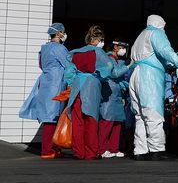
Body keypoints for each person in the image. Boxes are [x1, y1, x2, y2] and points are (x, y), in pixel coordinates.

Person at [129, 15, 178, 160]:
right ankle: (157, 150)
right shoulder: (156, 33)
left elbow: (150, 56)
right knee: (153, 113)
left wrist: (167, 64)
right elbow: (165, 51)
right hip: (149, 76)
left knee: (140, 116)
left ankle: (140, 150)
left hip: (135, 74)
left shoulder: (141, 36)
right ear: (161, 24)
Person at [19, 22, 69, 159]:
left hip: (46, 82)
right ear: (59, 33)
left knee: (52, 116)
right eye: (63, 31)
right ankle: (47, 150)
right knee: (52, 117)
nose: (64, 34)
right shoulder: (59, 49)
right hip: (56, 83)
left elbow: (41, 65)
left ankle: (54, 148)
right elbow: (69, 64)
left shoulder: (44, 48)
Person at [64, 25, 114, 160]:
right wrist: (100, 76)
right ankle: (91, 152)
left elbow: (69, 72)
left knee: (78, 121)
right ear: (97, 40)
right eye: (102, 39)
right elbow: (109, 68)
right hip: (91, 87)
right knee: (91, 120)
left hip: (77, 88)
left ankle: (78, 152)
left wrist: (70, 84)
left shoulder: (75, 53)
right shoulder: (99, 53)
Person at [99, 39, 131, 158]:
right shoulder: (108, 58)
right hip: (109, 93)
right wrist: (128, 67)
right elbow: (114, 74)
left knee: (117, 122)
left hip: (117, 93)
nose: (124, 50)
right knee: (107, 121)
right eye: (122, 47)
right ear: (115, 47)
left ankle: (113, 148)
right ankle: (102, 148)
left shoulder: (118, 60)